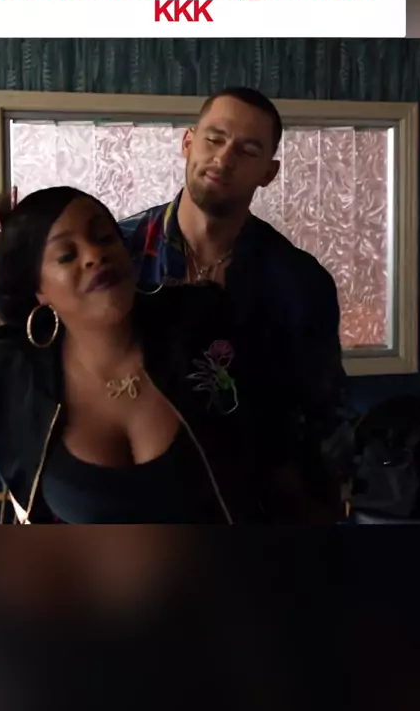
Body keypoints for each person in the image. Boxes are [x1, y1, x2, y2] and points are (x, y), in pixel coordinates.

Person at [119, 87, 351, 520]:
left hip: (256, 510)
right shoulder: (118, 255)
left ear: (269, 172)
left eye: (247, 150)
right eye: (214, 139)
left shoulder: (299, 281)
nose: (224, 159)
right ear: (188, 143)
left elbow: (323, 411)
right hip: (137, 503)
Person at [0, 186, 266, 525]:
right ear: (39, 289)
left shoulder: (200, 328)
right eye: (66, 255)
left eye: (104, 238)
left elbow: (274, 451)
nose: (94, 255)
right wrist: (22, 506)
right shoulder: (14, 375)